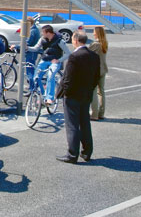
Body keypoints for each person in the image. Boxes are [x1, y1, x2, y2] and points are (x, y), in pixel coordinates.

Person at [55, 33, 101, 164]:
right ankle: (87, 152)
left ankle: (72, 154)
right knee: (85, 123)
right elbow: (96, 77)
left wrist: (64, 93)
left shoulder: (74, 57)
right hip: (86, 94)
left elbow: (68, 79)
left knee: (72, 125)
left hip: (73, 95)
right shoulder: (94, 56)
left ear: (75, 40)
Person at [31, 24, 71, 108]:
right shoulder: (42, 39)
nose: (42, 34)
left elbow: (68, 53)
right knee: (36, 77)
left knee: (50, 76)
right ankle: (43, 95)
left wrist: (59, 60)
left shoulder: (59, 41)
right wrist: (25, 47)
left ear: (48, 32)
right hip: (44, 60)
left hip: (54, 61)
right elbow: (35, 48)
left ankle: (50, 98)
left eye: (43, 32)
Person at [89, 26, 109, 120]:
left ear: (96, 33)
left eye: (94, 32)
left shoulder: (95, 44)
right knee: (101, 91)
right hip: (103, 69)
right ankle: (101, 113)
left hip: (95, 70)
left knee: (93, 92)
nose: (93, 33)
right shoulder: (104, 43)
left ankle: (94, 114)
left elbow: (87, 53)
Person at [24, 16, 41, 88]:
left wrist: (17, 46)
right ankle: (33, 86)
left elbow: (28, 42)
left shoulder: (32, 31)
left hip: (31, 53)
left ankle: (32, 88)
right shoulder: (35, 29)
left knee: (30, 71)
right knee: (32, 70)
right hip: (33, 53)